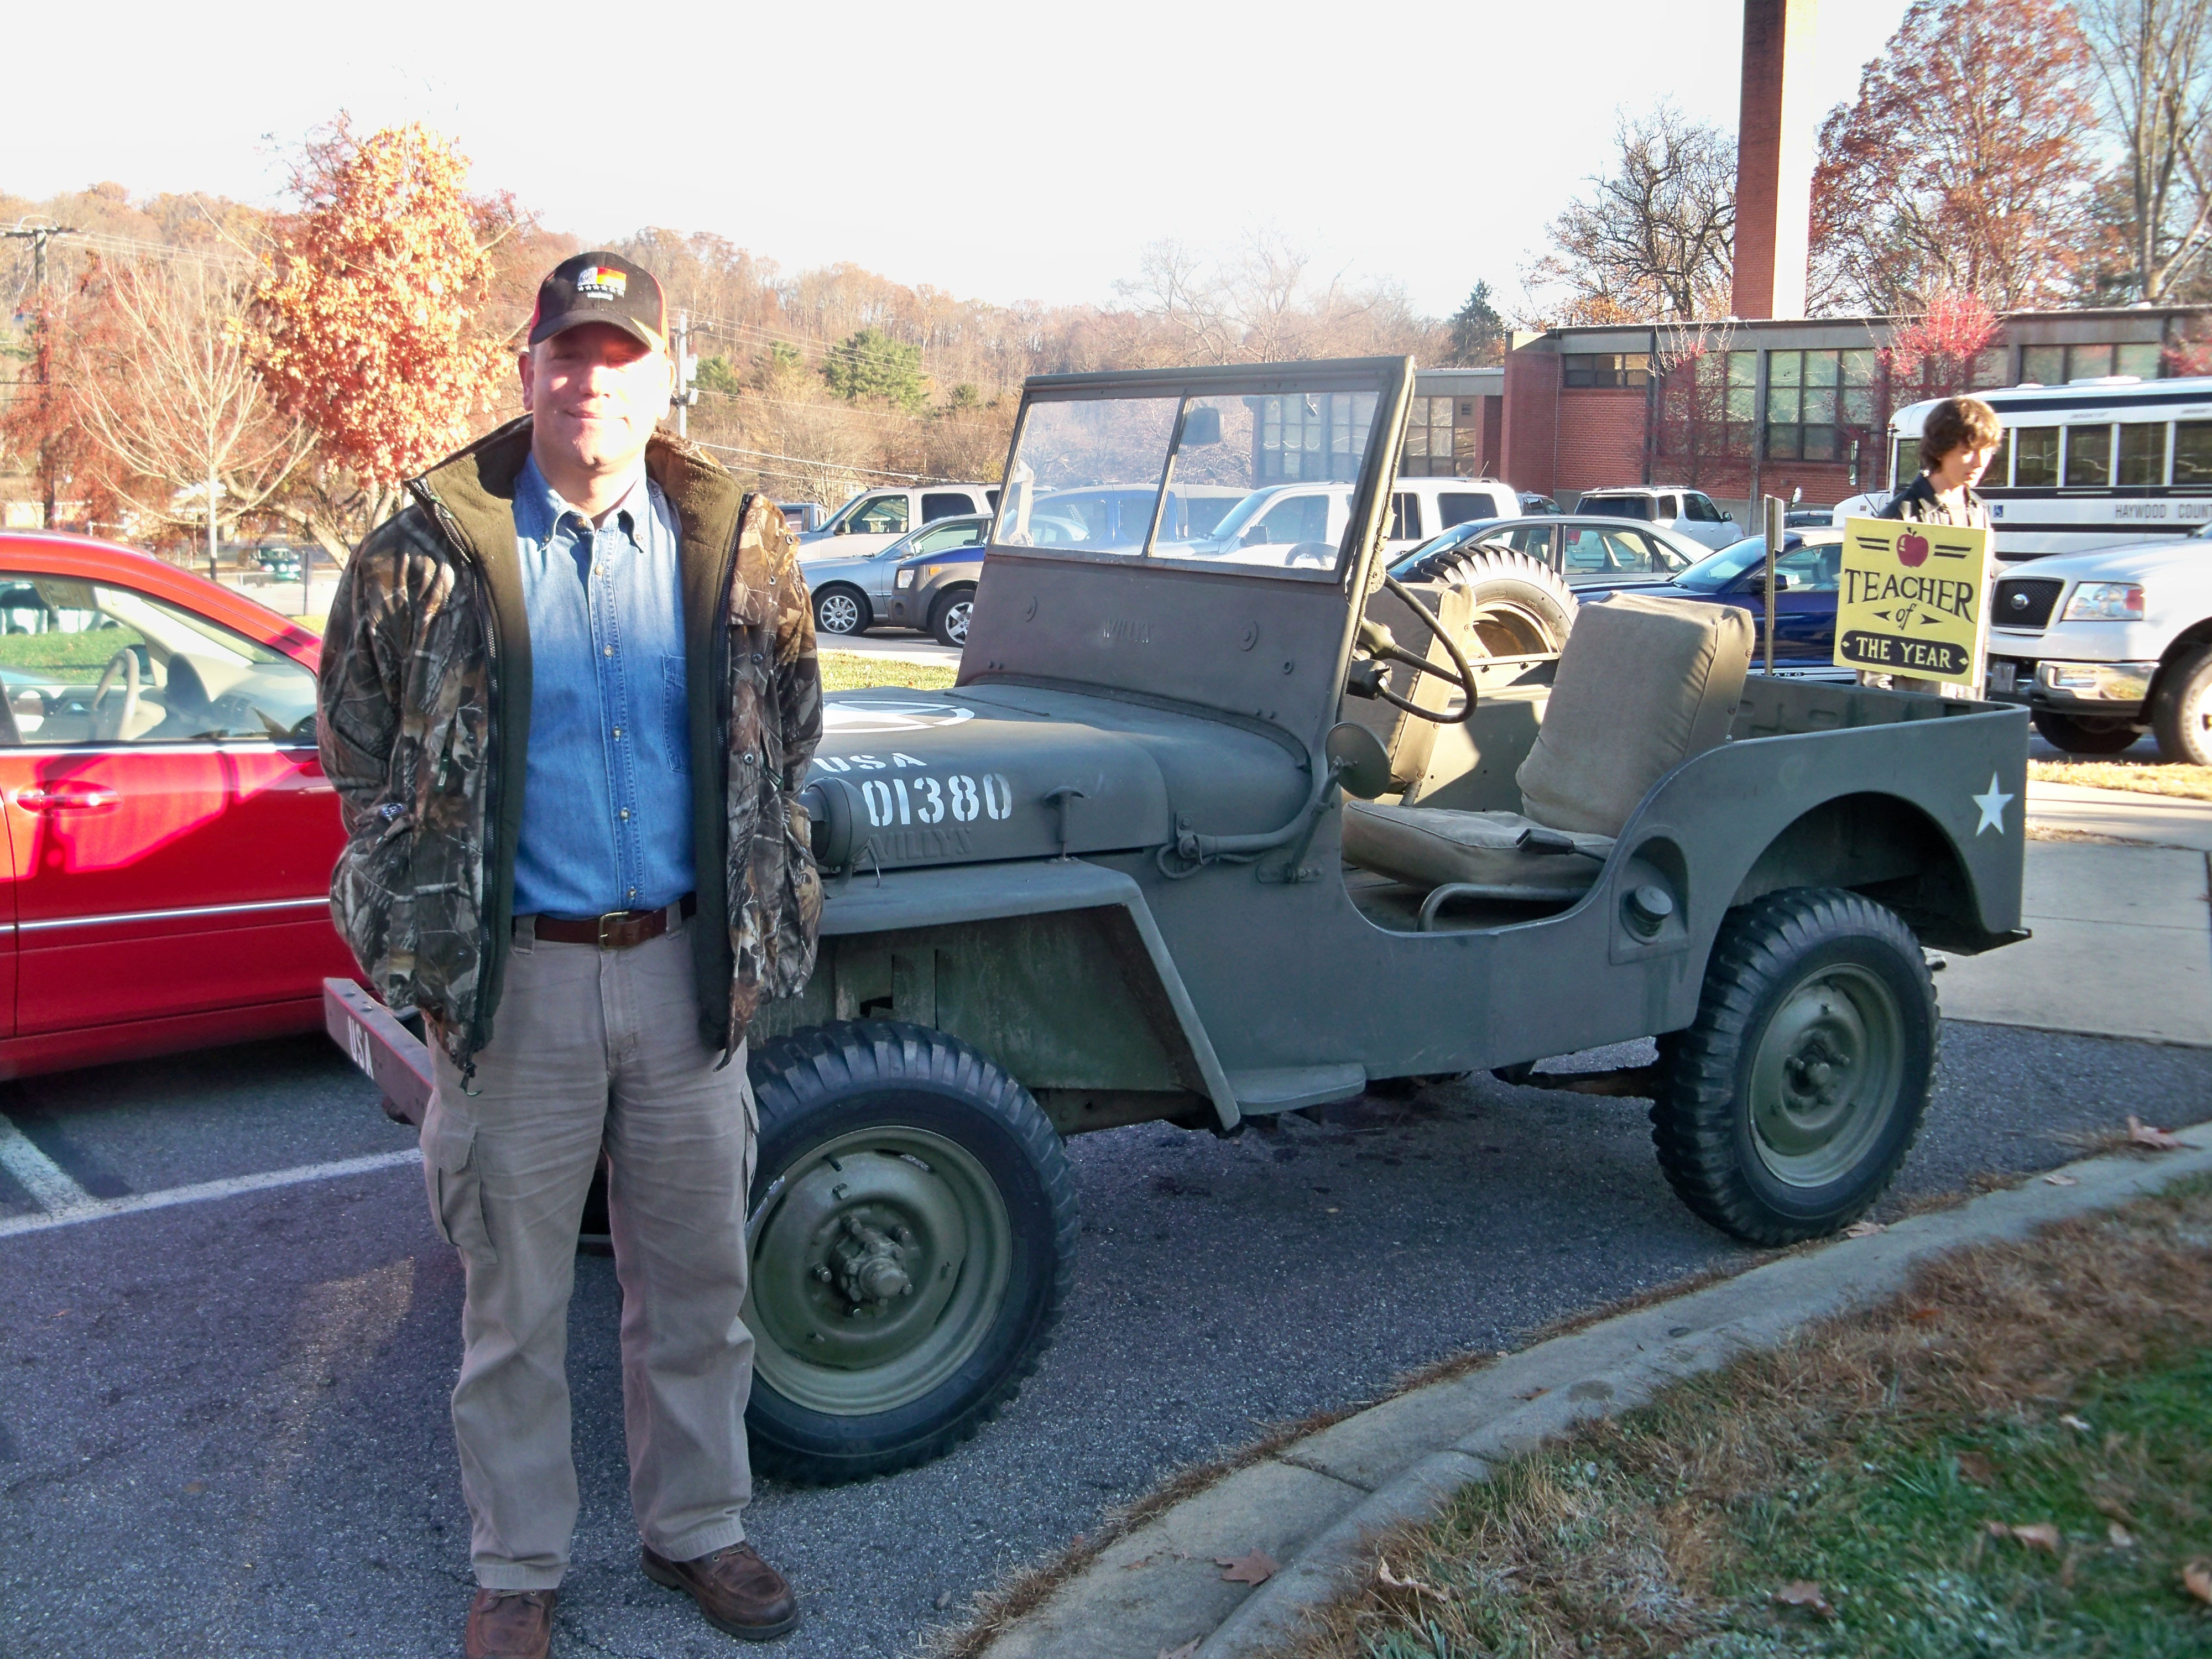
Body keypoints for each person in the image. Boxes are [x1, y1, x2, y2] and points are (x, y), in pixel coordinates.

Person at [316, 251, 822, 1658]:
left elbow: (788, 729)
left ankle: (697, 1527)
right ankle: (518, 1562)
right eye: (567, 353)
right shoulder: (425, 549)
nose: (591, 380)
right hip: (513, 984)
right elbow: (355, 744)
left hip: (685, 974)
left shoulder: (736, 542)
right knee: (512, 1303)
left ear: (666, 379)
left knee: (699, 1288)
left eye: (620, 356)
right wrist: (420, 908)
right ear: (527, 367)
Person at [1867, 393, 2002, 698]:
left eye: (1987, 451)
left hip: (1965, 685)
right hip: (1913, 691)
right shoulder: (1902, 515)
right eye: (1967, 452)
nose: (1979, 462)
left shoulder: (1978, 512)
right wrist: (1879, 694)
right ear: (1941, 450)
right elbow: (1873, 611)